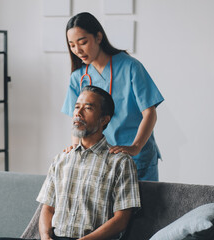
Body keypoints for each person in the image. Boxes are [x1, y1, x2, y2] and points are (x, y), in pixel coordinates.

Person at [62, 12, 164, 181]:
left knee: (144, 207)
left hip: (137, 159)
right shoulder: (77, 77)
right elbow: (77, 121)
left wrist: (135, 147)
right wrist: (76, 150)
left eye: (83, 42)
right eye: (72, 45)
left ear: (98, 37)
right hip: (101, 160)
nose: (77, 50)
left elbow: (150, 113)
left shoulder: (130, 67)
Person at [38, 86, 140, 240]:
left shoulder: (121, 162)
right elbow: (47, 208)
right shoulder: (61, 159)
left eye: (87, 108)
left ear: (104, 119)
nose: (78, 113)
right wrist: (45, 237)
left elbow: (121, 220)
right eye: (77, 107)